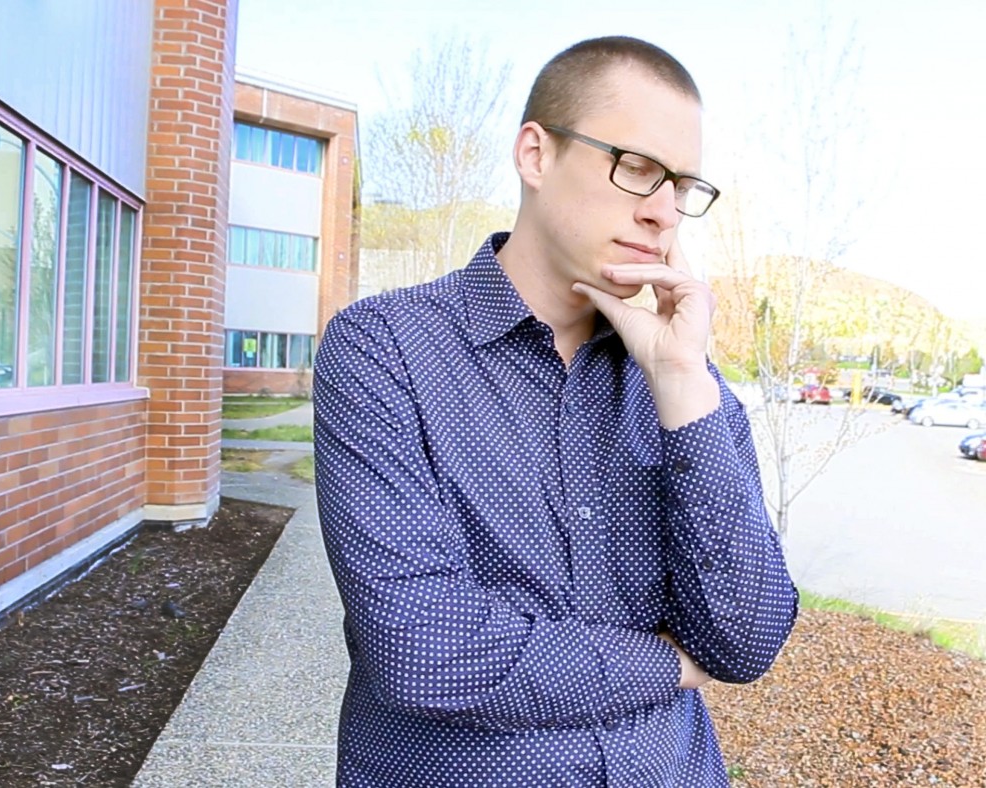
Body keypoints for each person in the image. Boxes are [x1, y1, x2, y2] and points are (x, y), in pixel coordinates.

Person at [314, 35, 797, 787]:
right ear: (535, 155)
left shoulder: (687, 385)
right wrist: (667, 662)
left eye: (684, 187)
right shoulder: (386, 350)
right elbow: (422, 649)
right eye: (638, 169)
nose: (665, 213)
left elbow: (747, 639)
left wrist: (680, 381)